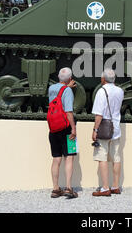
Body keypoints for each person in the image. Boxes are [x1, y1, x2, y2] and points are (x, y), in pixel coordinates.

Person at [91, 68, 124, 197]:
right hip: (116, 127)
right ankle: (115, 186)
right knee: (116, 157)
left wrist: (95, 130)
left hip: (104, 129)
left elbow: (99, 114)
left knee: (102, 157)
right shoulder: (120, 91)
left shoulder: (101, 91)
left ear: (103, 79)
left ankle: (105, 188)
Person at [48, 67, 78, 199]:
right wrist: (73, 129)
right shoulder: (67, 91)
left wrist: (67, 87)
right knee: (69, 157)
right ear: (70, 79)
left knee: (56, 159)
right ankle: (68, 188)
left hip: (53, 128)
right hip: (66, 128)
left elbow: (58, 94)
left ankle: (55, 189)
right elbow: (68, 112)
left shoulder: (51, 89)